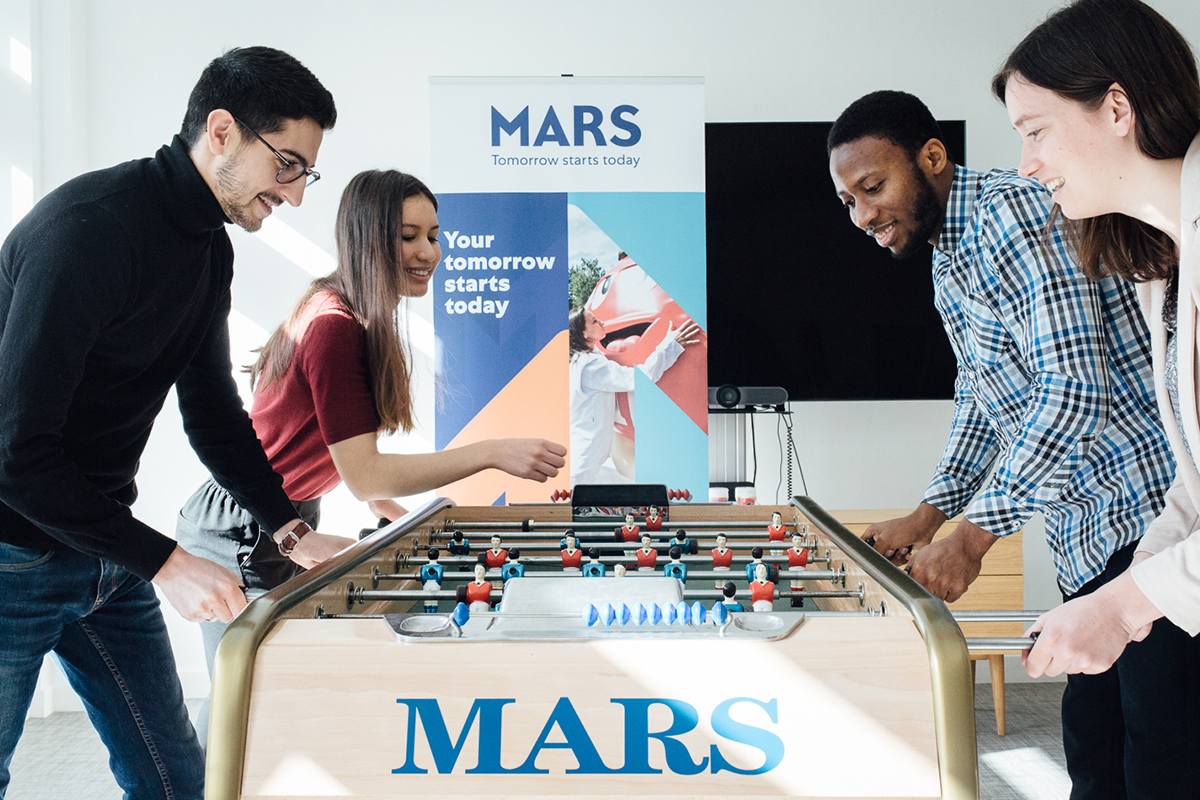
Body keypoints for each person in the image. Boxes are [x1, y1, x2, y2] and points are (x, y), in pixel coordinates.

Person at [0, 47, 340, 800]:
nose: (296, 194)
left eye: (304, 172)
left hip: (103, 552)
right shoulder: (87, 232)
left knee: (179, 781)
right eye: (287, 164)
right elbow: (16, 456)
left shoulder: (206, 250)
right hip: (11, 557)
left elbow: (213, 410)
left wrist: (289, 527)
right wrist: (165, 562)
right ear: (221, 131)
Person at [829, 86, 1180, 800]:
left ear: (932, 157)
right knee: (1095, 755)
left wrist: (970, 541)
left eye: (873, 187)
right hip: (1087, 534)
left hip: (1152, 526)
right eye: (850, 201)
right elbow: (986, 402)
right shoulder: (949, 255)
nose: (863, 216)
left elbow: (1073, 389)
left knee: (1163, 763)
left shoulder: (1008, 216)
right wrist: (928, 516)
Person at [175, 169, 566, 739]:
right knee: (246, 694)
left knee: (265, 693)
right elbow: (362, 473)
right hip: (238, 526)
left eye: (434, 235)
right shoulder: (333, 325)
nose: (429, 252)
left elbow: (345, 454)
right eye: (409, 236)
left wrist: (394, 515)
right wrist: (490, 452)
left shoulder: (356, 312)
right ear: (367, 236)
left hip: (286, 516)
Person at [993, 3, 1200, 796]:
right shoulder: (1163, 267)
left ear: (1117, 107)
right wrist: (1132, 586)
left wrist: (1122, 606)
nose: (1026, 163)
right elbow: (1195, 481)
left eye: (1037, 130)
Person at [568, 306, 700, 485]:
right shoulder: (590, 367)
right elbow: (637, 379)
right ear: (583, 334)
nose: (601, 322)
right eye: (594, 321)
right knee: (574, 505)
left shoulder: (582, 361)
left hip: (587, 453)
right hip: (585, 458)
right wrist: (670, 345)